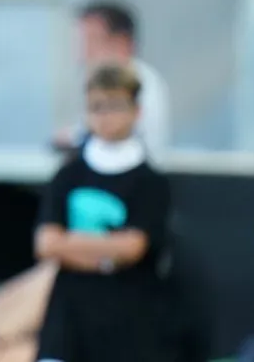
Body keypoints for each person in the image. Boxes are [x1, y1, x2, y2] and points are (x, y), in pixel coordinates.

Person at [36, 63, 171, 362]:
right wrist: (108, 254)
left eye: (115, 106)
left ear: (137, 111)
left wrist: (71, 243)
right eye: (97, 107)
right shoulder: (68, 175)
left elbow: (134, 246)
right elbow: (47, 243)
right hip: (68, 320)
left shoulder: (151, 182)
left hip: (128, 323)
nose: (105, 116)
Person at [56, 0, 170, 156]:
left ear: (122, 42)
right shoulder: (90, 81)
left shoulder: (142, 82)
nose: (83, 53)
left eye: (91, 41)